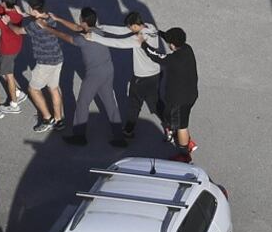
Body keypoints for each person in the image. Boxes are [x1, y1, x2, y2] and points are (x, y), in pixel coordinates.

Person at [39, 9, 126, 146]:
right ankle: (119, 137)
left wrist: (46, 27)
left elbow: (64, 36)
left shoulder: (82, 39)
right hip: (108, 70)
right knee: (110, 102)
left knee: (82, 103)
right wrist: (58, 19)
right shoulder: (98, 31)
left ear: (83, 21)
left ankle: (79, 136)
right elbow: (78, 28)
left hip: (94, 75)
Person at [87, 12, 163, 139]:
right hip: (156, 74)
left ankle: (128, 130)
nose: (128, 29)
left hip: (142, 77)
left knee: (134, 103)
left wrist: (94, 38)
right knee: (155, 103)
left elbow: (118, 43)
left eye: (130, 27)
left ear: (134, 26)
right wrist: (101, 28)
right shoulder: (150, 27)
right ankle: (172, 126)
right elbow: (122, 30)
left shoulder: (138, 39)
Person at [139, 27, 198, 162]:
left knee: (181, 125)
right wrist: (160, 33)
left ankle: (184, 153)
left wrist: (143, 43)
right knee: (181, 118)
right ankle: (186, 141)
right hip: (191, 95)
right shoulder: (188, 49)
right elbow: (172, 39)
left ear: (172, 44)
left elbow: (156, 56)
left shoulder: (173, 59)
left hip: (179, 100)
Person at [7, 0, 64, 132]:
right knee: (54, 88)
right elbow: (36, 17)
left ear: (33, 9)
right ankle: (58, 120)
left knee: (33, 89)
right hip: (57, 58)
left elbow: (18, 31)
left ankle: (47, 119)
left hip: (45, 63)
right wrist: (24, 14)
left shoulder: (34, 26)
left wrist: (8, 22)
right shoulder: (49, 17)